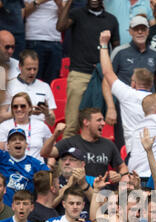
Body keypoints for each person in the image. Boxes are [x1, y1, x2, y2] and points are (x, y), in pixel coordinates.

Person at [56, 0, 120, 138]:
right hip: (79, 74)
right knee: (72, 125)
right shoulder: (76, 14)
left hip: (102, 77)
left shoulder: (111, 19)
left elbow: (116, 50)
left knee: (98, 127)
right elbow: (60, 27)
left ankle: (96, 159)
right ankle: (65, 159)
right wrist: (69, 2)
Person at [99, 28, 156, 154]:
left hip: (133, 153)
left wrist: (104, 45)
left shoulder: (127, 95)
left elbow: (107, 73)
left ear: (133, 83)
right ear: (151, 84)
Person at [40, 108, 129, 179]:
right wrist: (55, 135)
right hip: (76, 194)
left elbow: (122, 167)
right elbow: (45, 153)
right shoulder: (70, 142)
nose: (103, 123)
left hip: (101, 194)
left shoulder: (108, 145)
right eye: (99, 120)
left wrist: (120, 176)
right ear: (86, 122)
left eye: (103, 120)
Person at [5, 49, 56, 127]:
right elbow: (1, 116)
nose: (32, 72)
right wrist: (25, 111)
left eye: (35, 69)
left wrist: (47, 114)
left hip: (39, 129)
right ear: (20, 67)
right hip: (15, 129)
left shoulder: (45, 86)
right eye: (29, 69)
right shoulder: (9, 85)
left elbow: (52, 123)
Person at [0, 128, 49, 206]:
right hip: (4, 208)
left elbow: (51, 176)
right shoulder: (2, 157)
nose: (17, 141)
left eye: (21, 139)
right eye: (13, 140)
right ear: (8, 146)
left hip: (25, 209)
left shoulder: (35, 164)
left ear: (26, 145)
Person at [0, 92, 52, 162]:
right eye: (15, 106)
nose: (19, 109)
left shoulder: (41, 126)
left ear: (30, 108)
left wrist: (50, 165)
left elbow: (52, 148)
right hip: (13, 170)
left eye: (23, 106)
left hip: (37, 170)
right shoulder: (3, 127)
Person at [24, 0, 65, 85]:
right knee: (32, 79)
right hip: (33, 38)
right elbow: (23, 13)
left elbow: (64, 20)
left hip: (55, 40)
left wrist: (59, 4)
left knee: (53, 80)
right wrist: (38, 1)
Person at [54, 146, 94, 219]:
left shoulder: (92, 181)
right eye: (64, 159)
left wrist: (84, 184)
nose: (67, 163)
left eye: (72, 160)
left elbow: (101, 206)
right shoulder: (54, 181)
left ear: (82, 164)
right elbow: (48, 205)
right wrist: (68, 185)